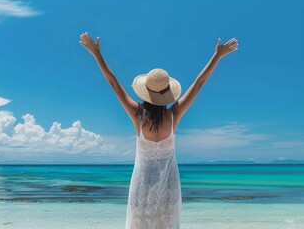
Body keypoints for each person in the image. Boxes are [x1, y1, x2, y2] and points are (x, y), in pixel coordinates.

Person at [79, 32, 238, 228]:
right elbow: (199, 83)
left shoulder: (138, 116)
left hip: (141, 188)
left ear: (145, 92)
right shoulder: (173, 116)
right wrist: (217, 56)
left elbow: (113, 82)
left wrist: (96, 54)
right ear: (167, 94)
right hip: (169, 189)